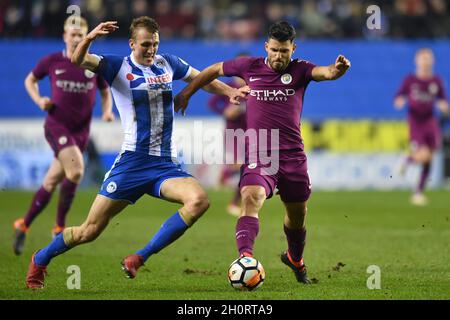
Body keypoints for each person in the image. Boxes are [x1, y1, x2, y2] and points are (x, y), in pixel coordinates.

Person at [25, 16, 246, 289]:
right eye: (145, 45)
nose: (151, 50)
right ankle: (41, 258)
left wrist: (229, 92)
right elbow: (78, 60)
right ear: (132, 43)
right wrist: (89, 38)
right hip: (131, 163)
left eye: (154, 44)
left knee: (199, 200)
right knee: (89, 231)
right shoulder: (117, 66)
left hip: (164, 164)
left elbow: (200, 78)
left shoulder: (168, 63)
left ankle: (139, 258)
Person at [174, 21, 350, 284]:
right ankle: (246, 258)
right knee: (251, 196)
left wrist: (337, 70)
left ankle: (295, 259)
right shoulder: (249, 66)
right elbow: (213, 69)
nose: (279, 56)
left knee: (297, 216)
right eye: (275, 50)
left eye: (285, 51)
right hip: (260, 153)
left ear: (294, 48)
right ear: (266, 46)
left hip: (293, 156)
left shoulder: (301, 70)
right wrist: (187, 92)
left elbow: (325, 72)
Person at [13, 16, 114, 256]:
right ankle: (59, 226)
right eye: (73, 34)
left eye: (81, 34)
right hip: (57, 125)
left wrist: (108, 111)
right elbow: (30, 80)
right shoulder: (52, 61)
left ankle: (23, 224)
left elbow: (105, 92)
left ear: (87, 36)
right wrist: (39, 100)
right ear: (64, 36)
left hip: (81, 131)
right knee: (77, 170)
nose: (77, 38)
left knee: (50, 182)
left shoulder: (92, 64)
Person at [394, 48, 449, 206]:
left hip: (431, 121)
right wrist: (399, 100)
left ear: (432, 61)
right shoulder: (410, 80)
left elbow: (442, 99)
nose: (425, 62)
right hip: (416, 122)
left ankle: (418, 192)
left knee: (429, 158)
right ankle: (407, 159)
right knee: (424, 155)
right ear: (416, 61)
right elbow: (398, 95)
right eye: (422, 59)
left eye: (428, 59)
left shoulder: (436, 81)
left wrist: (444, 106)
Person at [208, 52, 248, 217]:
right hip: (233, 132)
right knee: (243, 165)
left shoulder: (254, 86)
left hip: (251, 132)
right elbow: (212, 103)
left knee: (247, 167)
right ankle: (233, 203)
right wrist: (225, 111)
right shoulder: (229, 86)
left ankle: (227, 178)